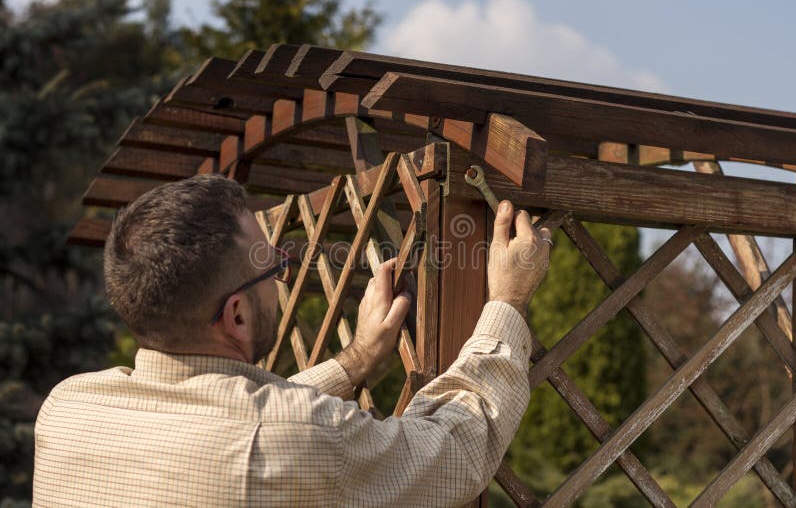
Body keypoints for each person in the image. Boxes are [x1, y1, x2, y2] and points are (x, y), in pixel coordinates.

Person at [33, 174, 551, 507]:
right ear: (235, 314)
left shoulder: (69, 409)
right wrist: (506, 302)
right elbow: (456, 451)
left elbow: (228, 419)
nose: (285, 276)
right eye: (275, 266)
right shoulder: (289, 438)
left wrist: (357, 359)